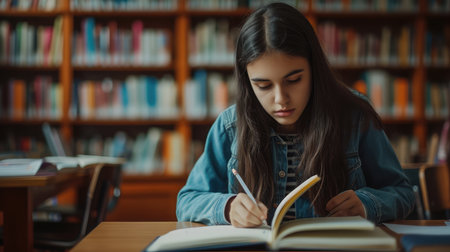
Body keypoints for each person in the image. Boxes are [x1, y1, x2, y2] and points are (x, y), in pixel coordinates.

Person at [176, 2, 415, 227]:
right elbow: (187, 200)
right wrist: (227, 208)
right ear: (247, 83)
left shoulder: (354, 118)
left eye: (294, 80)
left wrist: (366, 204)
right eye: (264, 86)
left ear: (314, 69)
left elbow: (403, 193)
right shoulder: (231, 126)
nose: (281, 99)